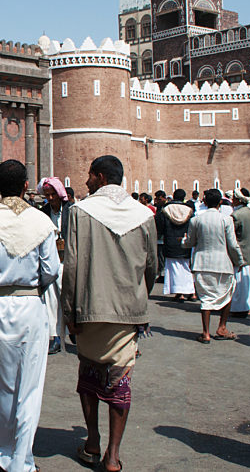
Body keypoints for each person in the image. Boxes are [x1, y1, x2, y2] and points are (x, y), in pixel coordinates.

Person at [62, 155, 156, 472]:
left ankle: (92, 442)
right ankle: (113, 455)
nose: (86, 180)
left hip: (89, 309)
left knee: (88, 376)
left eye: (89, 175)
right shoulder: (143, 214)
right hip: (128, 313)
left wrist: (69, 312)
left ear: (100, 177)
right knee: (120, 380)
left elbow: (71, 266)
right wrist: (139, 297)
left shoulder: (80, 212)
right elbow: (152, 266)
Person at [0, 159, 60, 472]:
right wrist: (34, 292)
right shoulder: (42, 222)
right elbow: (51, 271)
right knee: (30, 382)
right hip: (31, 305)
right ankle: (22, 455)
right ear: (25, 186)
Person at [182, 188, 244, 343]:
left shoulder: (196, 220)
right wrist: (240, 261)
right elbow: (233, 244)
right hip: (223, 263)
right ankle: (222, 326)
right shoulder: (226, 219)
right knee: (226, 294)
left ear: (204, 202)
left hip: (202, 263)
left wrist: (183, 242)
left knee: (205, 299)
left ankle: (206, 332)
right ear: (220, 203)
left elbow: (190, 242)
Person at [39, 176, 73, 355]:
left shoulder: (72, 212)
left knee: (70, 300)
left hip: (69, 262)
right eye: (47, 195)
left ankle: (73, 331)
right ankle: (56, 337)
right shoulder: (43, 213)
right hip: (51, 263)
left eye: (53, 194)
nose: (50, 198)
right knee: (52, 301)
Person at [157, 188, 194, 301]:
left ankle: (179, 292)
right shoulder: (189, 211)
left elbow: (160, 226)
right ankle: (190, 291)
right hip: (184, 242)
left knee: (174, 268)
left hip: (170, 242)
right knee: (186, 268)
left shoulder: (166, 210)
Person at [230, 189, 250, 316]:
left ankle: (239, 308)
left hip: (241, 253)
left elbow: (232, 235)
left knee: (239, 285)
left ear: (238, 200)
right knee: (249, 284)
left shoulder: (236, 215)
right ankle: (248, 305)